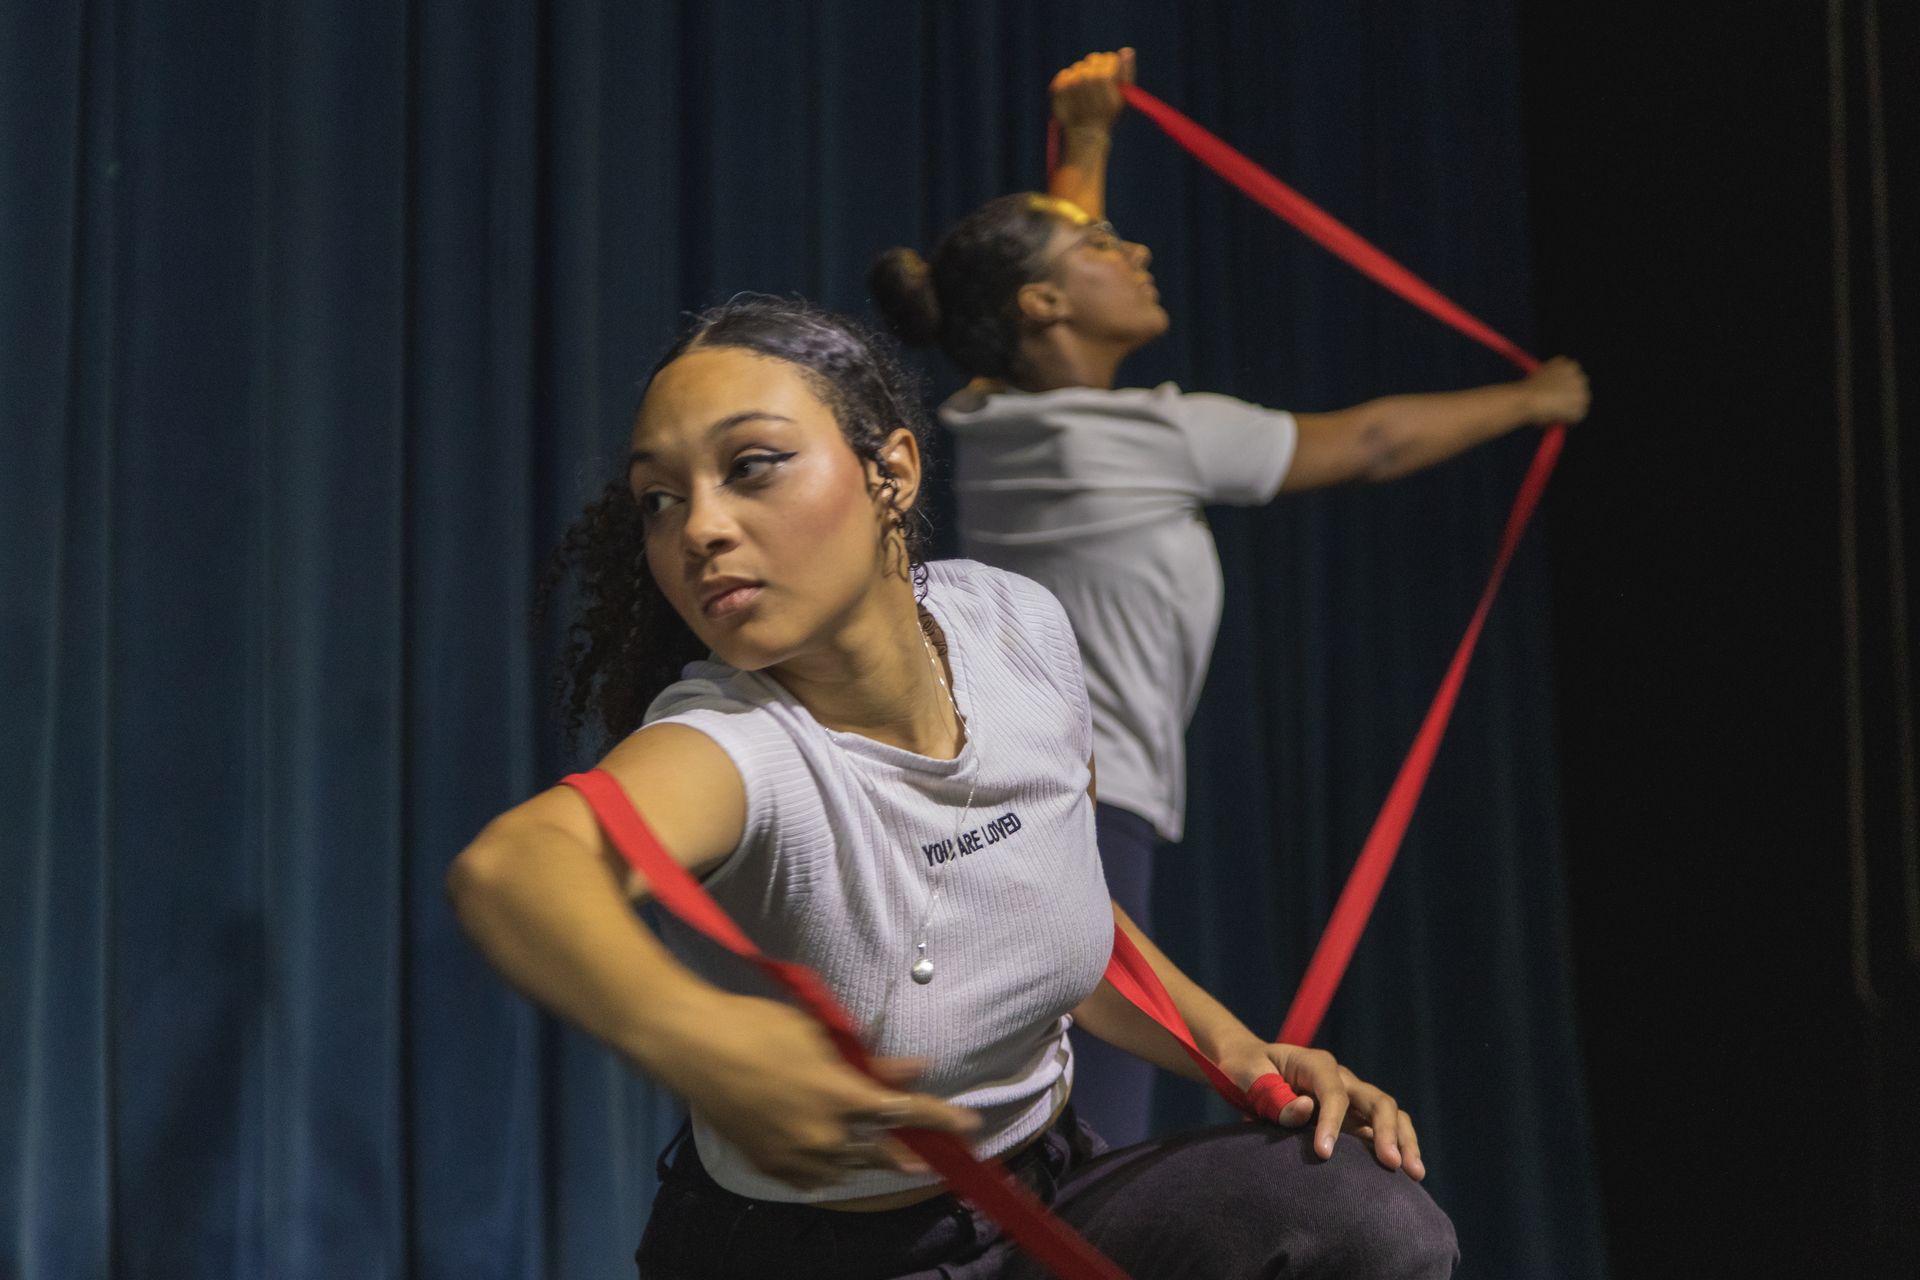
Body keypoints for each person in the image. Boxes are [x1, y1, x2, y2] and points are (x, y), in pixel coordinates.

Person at [448, 297, 1457, 1278]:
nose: (698, 527)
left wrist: (1234, 1049)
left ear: (891, 470)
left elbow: (1053, 893)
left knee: (1364, 1214)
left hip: (1049, 1197)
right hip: (812, 1257)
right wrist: (696, 1036)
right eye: (659, 500)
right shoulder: (730, 742)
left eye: (751, 466)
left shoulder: (1017, 624)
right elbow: (516, 866)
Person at [867, 48, 1592, 1148]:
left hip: (1034, 802)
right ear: (1046, 301)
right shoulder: (1144, 438)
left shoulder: (996, 419)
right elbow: (1375, 441)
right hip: (1085, 813)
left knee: (1052, 1134)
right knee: (1089, 1140)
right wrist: (1535, 399)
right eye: (1104, 245)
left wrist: (1088, 146)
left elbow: (1029, 294)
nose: (1135, 250)